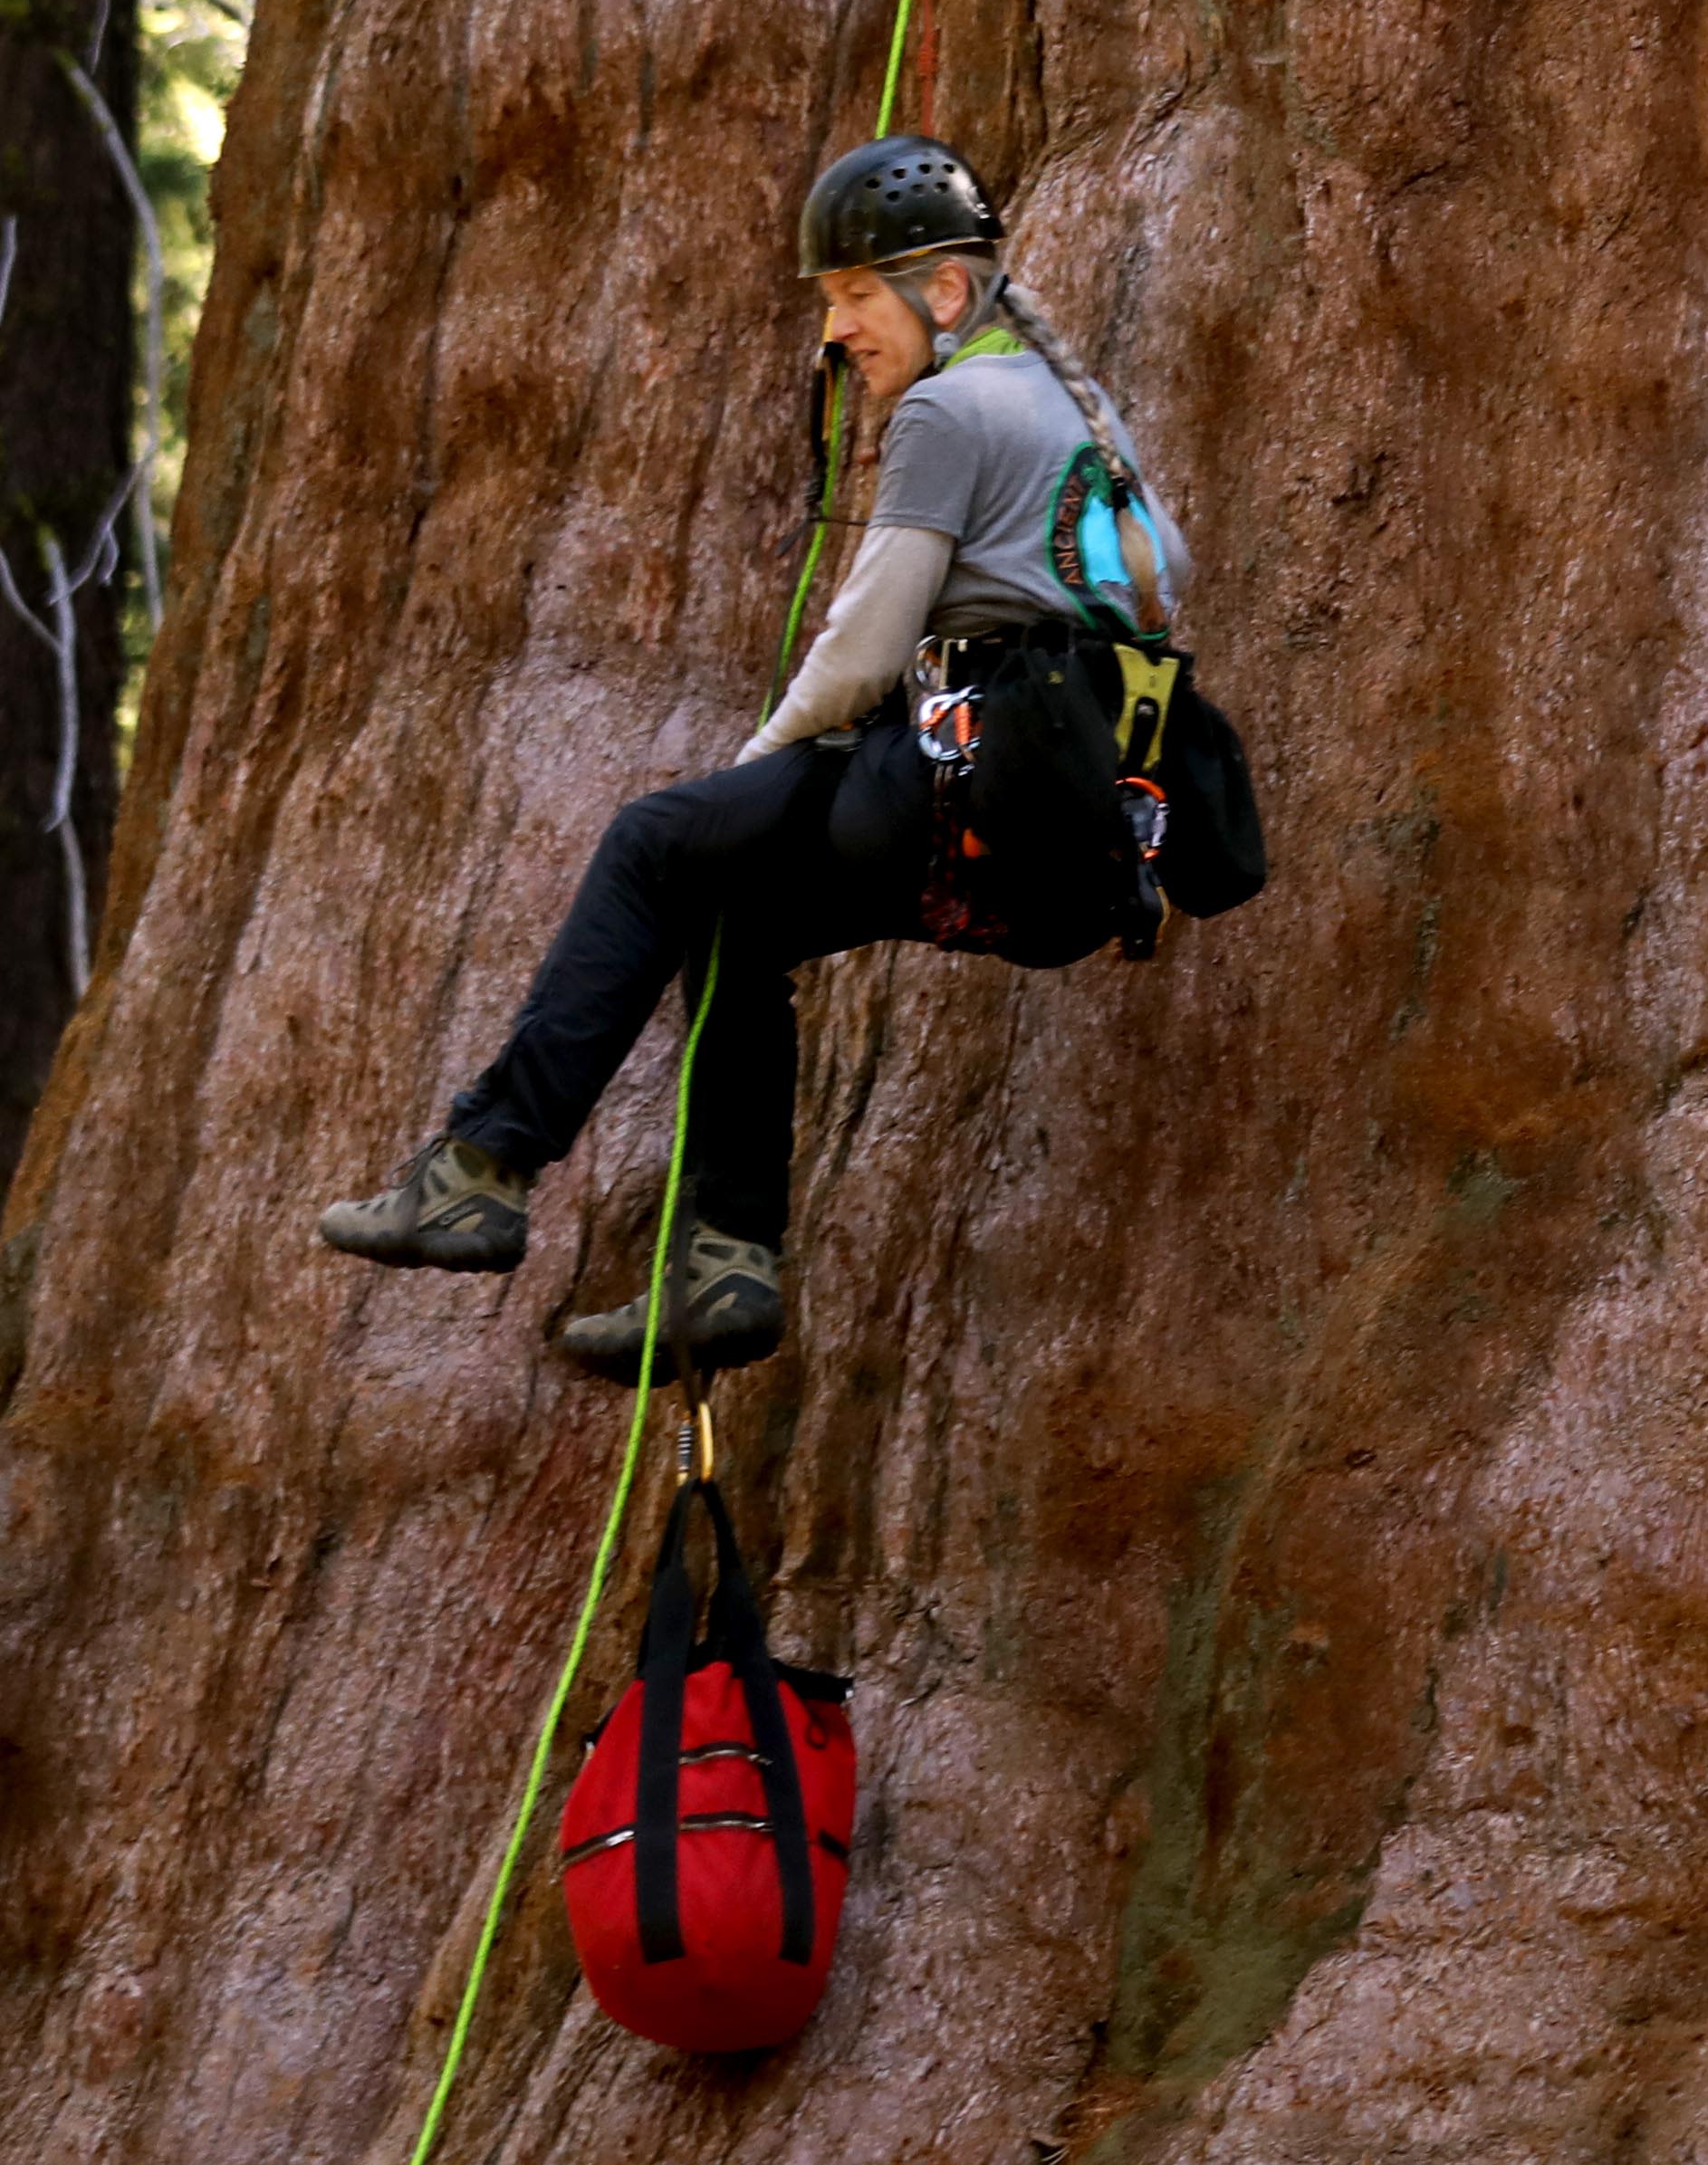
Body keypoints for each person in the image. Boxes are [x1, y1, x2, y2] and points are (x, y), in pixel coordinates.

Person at [318, 135, 1189, 1378]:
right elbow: (1163, 584)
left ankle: (479, 1170)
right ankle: (726, 1265)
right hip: (1076, 850)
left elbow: (867, 642)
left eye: (853, 297)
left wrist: (755, 766)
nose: (836, 333)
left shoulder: (949, 407)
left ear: (943, 294)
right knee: (737, 919)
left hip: (961, 780)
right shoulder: (1077, 408)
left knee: (656, 840)